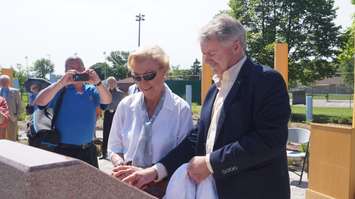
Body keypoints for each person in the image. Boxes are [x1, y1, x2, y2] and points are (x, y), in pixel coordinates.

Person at [119, 15, 291, 199]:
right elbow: (196, 138)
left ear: (236, 46)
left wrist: (210, 164)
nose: (207, 60)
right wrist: (155, 171)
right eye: (204, 53)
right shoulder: (213, 91)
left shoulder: (267, 81)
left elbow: (269, 140)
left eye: (212, 53)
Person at [107, 45, 193, 197]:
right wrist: (121, 166)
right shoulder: (126, 106)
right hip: (128, 187)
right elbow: (114, 147)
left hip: (164, 190)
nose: (143, 83)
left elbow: (184, 157)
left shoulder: (181, 110)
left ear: (164, 72)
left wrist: (151, 174)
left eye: (148, 76)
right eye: (137, 77)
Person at [34, 56, 112, 168]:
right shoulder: (59, 89)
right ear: (66, 71)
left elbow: (107, 100)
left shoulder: (92, 89)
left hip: (88, 150)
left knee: (91, 185)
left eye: (79, 67)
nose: (77, 71)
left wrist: (97, 82)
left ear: (85, 69)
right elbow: (40, 102)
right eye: (72, 68)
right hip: (64, 150)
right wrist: (61, 82)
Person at [100, 76, 125, 159]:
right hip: (107, 114)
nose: (111, 84)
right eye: (109, 82)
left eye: (113, 82)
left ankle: (118, 153)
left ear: (116, 83)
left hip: (116, 114)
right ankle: (104, 153)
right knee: (106, 133)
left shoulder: (121, 94)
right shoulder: (104, 93)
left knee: (117, 133)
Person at [0, 75, 22, 141]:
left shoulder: (15, 91)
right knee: (1, 137)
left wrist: (16, 116)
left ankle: (12, 150)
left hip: (12, 117)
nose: (3, 83)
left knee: (11, 137)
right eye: (2, 81)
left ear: (9, 82)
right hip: (1, 117)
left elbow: (19, 105)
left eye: (5, 81)